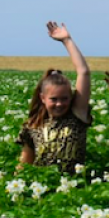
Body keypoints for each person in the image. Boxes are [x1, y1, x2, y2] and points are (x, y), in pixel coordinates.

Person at [18, 22, 92, 173]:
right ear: (43, 98)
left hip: (74, 187)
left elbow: (83, 72)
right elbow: (25, 164)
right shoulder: (32, 125)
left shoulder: (77, 115)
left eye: (64, 98)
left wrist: (67, 41)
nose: (59, 104)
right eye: (54, 99)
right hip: (44, 187)